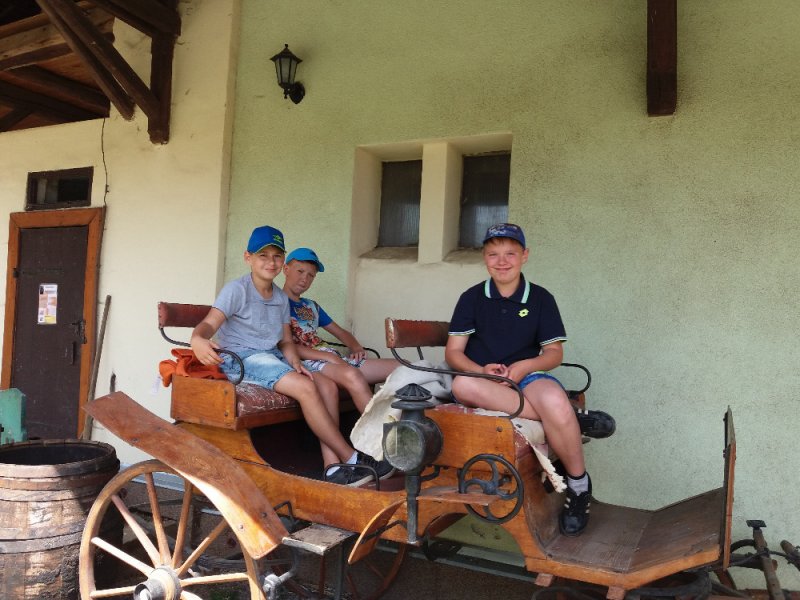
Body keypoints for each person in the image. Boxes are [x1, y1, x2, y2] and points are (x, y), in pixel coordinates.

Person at [444, 223, 614, 536]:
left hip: (528, 377)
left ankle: (578, 488)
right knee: (461, 384)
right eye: (493, 254)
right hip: (484, 382)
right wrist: (480, 370)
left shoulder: (540, 298)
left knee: (551, 398)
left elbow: (554, 353)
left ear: (525, 255)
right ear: (484, 258)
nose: (502, 261)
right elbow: (454, 352)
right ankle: (571, 418)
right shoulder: (472, 298)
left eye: (510, 253)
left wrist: (524, 366)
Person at [190, 225, 392, 487]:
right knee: (305, 388)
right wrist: (198, 339)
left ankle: (332, 468)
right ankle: (351, 458)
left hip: (273, 357)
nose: (270, 262)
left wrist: (296, 363)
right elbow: (209, 323)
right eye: (263, 255)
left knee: (324, 384)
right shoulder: (237, 290)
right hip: (243, 358)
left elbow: (286, 341)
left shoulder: (279, 298)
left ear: (282, 260)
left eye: (276, 256)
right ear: (248, 257)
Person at [281, 247, 398, 414]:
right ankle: (378, 429)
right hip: (309, 362)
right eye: (300, 271)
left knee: (401, 366)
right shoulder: (276, 303)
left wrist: (356, 348)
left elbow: (341, 333)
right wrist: (328, 357)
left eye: (311, 275)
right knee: (351, 375)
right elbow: (284, 345)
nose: (304, 279)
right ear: (286, 269)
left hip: (333, 359)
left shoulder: (311, 306)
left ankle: (411, 421)